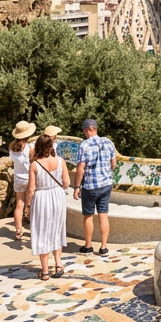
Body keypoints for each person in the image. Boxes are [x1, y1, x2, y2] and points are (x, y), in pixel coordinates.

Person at [27, 134, 69, 278]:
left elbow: (31, 189)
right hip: (58, 196)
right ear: (51, 146)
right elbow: (66, 183)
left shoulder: (35, 164)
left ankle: (45, 271)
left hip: (42, 198)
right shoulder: (61, 161)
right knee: (57, 230)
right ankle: (58, 265)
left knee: (42, 232)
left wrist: (28, 205)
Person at [73, 118, 117, 255]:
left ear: (89, 129)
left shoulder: (84, 145)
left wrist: (76, 186)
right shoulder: (108, 142)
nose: (85, 134)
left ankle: (88, 245)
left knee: (88, 216)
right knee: (103, 215)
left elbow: (81, 168)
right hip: (106, 184)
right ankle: (103, 247)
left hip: (90, 186)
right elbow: (113, 164)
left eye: (85, 131)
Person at [9, 122, 36, 240]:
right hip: (29, 179)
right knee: (32, 205)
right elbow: (34, 163)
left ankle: (18, 230)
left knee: (19, 205)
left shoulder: (11, 147)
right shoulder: (30, 148)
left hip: (18, 178)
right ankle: (33, 230)